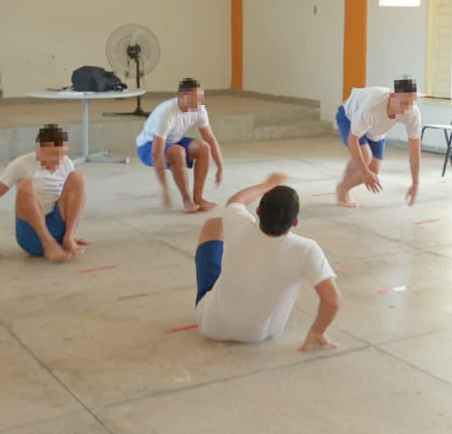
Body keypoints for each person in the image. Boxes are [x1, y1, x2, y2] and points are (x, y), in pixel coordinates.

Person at [194, 173, 341, 350]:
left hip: (211, 327)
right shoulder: (307, 249)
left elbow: (237, 200)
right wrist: (317, 331)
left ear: (257, 212)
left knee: (213, 224)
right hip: (259, 334)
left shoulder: (239, 222)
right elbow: (332, 301)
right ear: (295, 222)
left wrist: (269, 184)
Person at [0, 124, 87, 263]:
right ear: (40, 150)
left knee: (78, 178)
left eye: (61, 155)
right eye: (53, 155)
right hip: (30, 234)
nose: (58, 160)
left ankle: (67, 238)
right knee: (26, 185)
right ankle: (48, 242)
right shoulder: (21, 164)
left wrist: (67, 233)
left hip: (58, 228)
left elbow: (71, 200)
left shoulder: (66, 163)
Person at [136, 78, 225, 213]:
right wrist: (165, 190)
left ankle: (198, 198)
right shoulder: (166, 113)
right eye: (196, 98)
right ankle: (187, 200)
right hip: (147, 146)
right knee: (178, 152)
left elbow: (210, 139)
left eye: (201, 97)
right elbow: (157, 153)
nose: (199, 102)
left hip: (174, 140)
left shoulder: (200, 109)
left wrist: (220, 167)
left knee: (204, 148)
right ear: (183, 97)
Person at [335, 79, 422, 208]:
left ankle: (343, 188)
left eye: (407, 105)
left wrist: (415, 183)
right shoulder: (373, 107)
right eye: (401, 104)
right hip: (349, 116)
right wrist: (364, 172)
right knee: (365, 156)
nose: (403, 109)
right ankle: (342, 193)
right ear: (392, 97)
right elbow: (352, 140)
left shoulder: (413, 114)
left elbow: (415, 150)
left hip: (376, 129)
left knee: (374, 169)